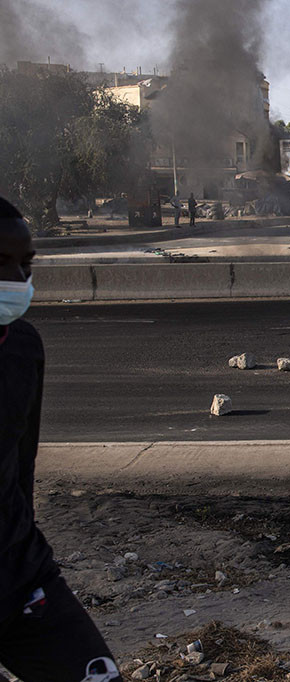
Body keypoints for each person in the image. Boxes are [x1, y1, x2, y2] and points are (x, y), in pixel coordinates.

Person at [0, 197, 122, 682]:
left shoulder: (22, 347)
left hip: (20, 578)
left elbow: (19, 466)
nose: (15, 280)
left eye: (23, 264)